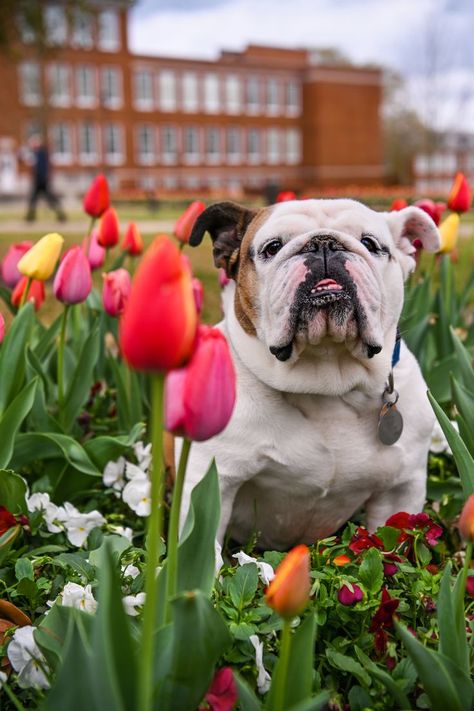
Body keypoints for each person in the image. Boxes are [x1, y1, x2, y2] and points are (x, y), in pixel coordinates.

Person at [24, 134, 66, 222]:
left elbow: (44, 167)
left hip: (43, 181)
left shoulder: (42, 153)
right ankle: (30, 217)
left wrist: (45, 177)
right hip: (38, 181)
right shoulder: (35, 154)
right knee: (33, 199)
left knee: (50, 199)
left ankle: (61, 215)